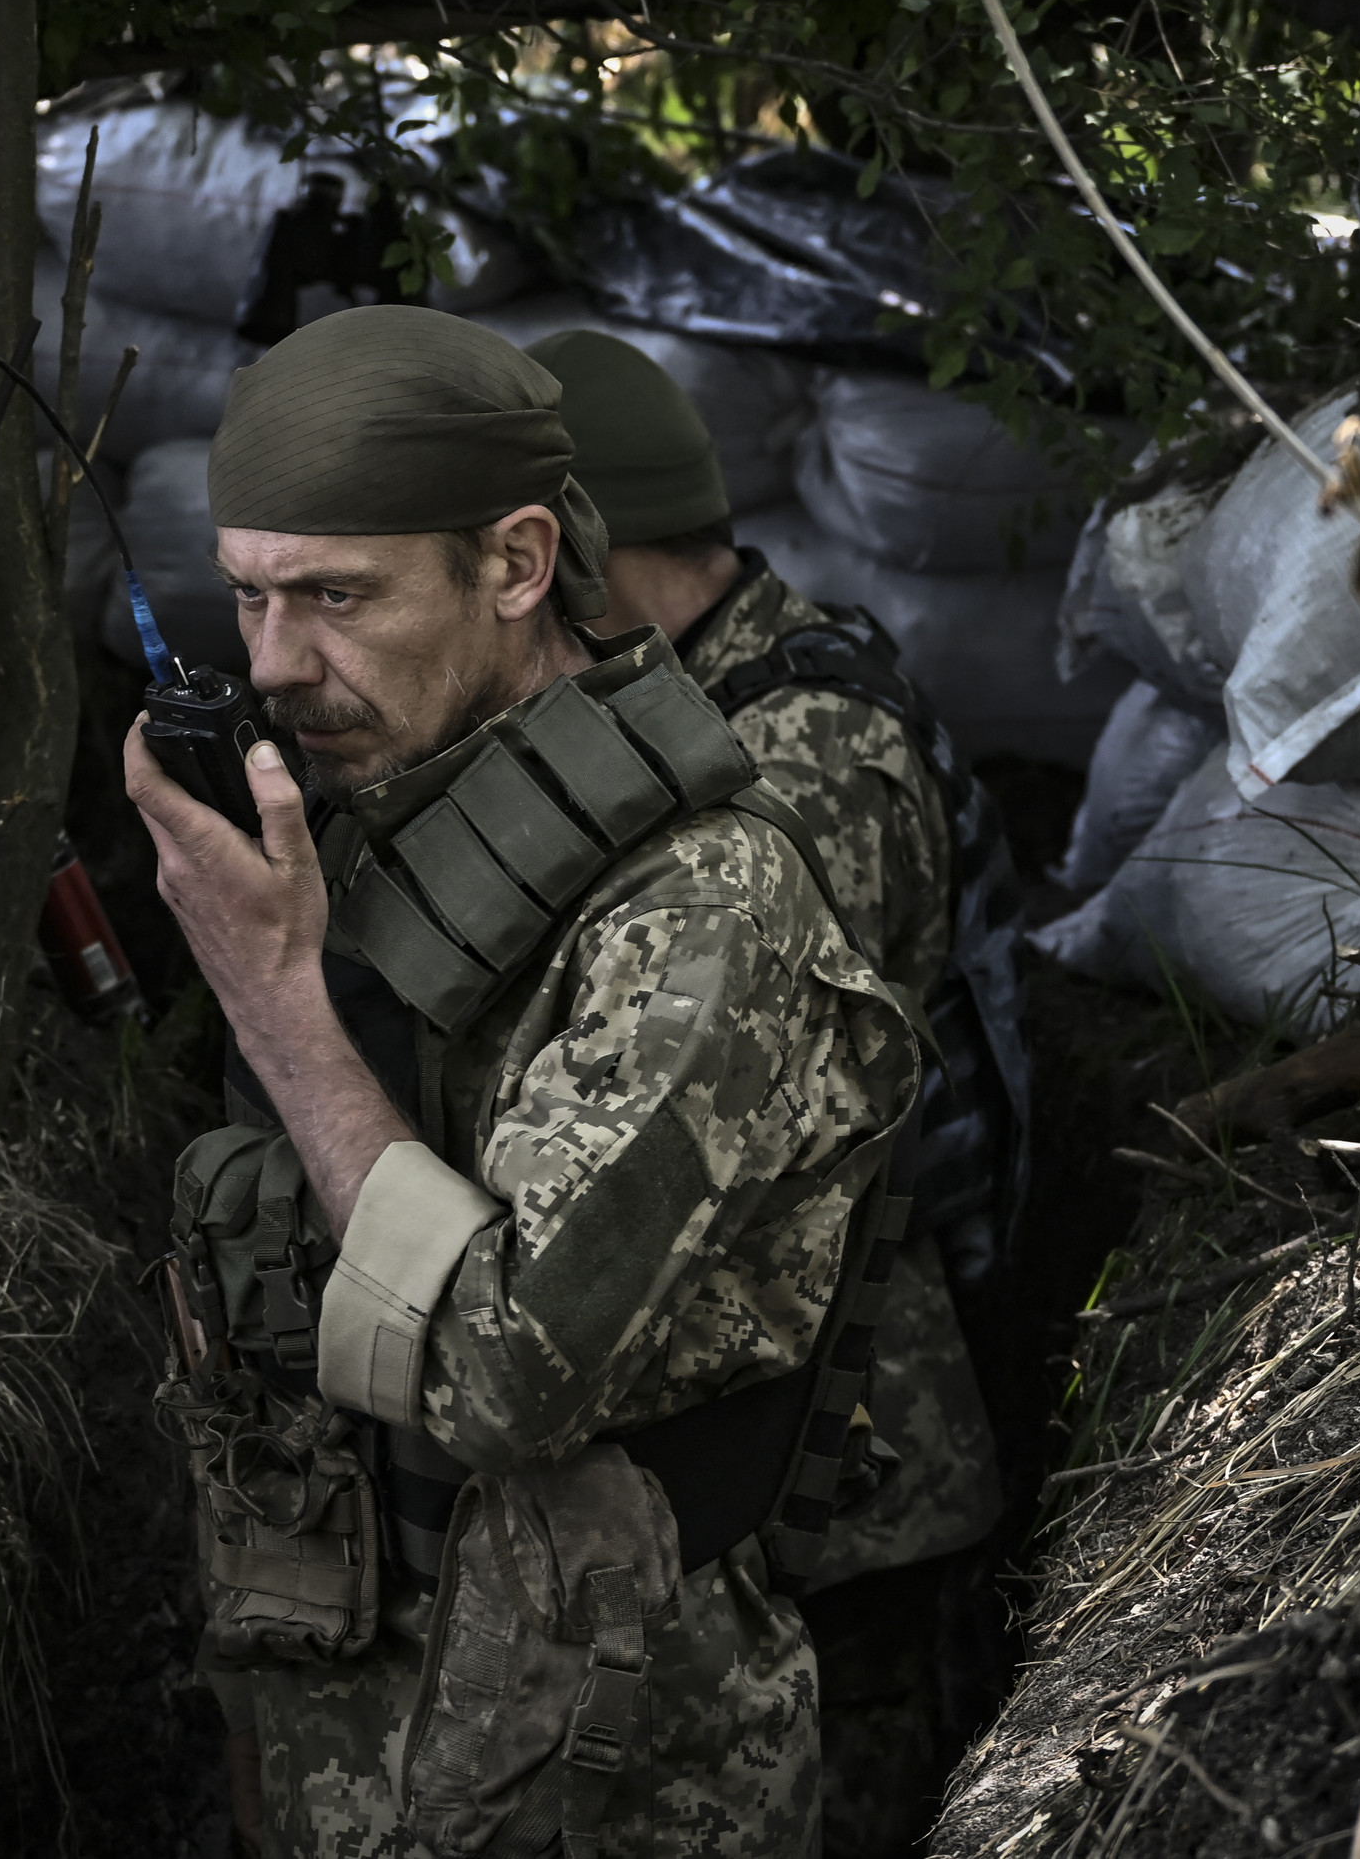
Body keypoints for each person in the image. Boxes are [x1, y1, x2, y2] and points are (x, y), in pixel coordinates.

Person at [125, 306, 922, 1859]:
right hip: (338, 1696)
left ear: (516, 562)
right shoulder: (361, 823)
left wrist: (280, 1004)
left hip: (600, 1767)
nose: (276, 665)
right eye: (249, 596)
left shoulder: (703, 905)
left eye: (339, 596)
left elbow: (503, 1376)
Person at [525, 327, 1036, 1859]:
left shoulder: (802, 753)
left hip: (849, 1449)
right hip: (766, 1431)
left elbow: (730, 1122)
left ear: (582, 552)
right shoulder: (707, 697)